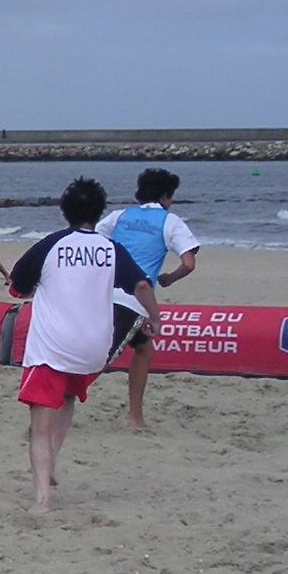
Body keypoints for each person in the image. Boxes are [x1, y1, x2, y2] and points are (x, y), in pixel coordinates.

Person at [9, 178, 161, 515]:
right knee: (66, 398)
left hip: (54, 346)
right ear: (98, 211)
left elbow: (18, 285)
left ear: (65, 211)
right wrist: (155, 317)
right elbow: (140, 284)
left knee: (40, 423)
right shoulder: (111, 248)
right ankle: (52, 462)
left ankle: (42, 500)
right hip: (94, 350)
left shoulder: (51, 244)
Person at [96, 167, 201, 430]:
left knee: (143, 349)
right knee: (98, 362)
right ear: (166, 196)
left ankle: (136, 418)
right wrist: (169, 278)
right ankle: (53, 407)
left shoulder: (118, 216)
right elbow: (188, 263)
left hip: (101, 292)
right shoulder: (170, 221)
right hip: (133, 299)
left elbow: (95, 243)